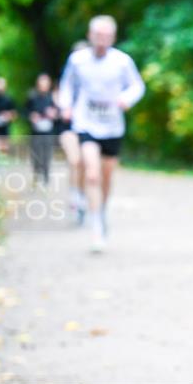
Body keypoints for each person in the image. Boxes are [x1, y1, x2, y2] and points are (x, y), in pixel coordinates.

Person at [58, 16, 145, 252]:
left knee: (106, 177)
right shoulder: (77, 60)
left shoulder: (122, 61)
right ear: (90, 35)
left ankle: (101, 212)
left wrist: (126, 99)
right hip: (86, 123)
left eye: (106, 36)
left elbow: (137, 86)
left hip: (112, 126)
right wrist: (66, 106)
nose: (101, 40)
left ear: (113, 38)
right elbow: (67, 86)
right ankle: (96, 227)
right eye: (97, 35)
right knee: (92, 175)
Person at [58, 40, 90, 224]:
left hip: (87, 127)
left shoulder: (95, 83)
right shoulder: (66, 81)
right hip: (69, 126)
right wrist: (65, 108)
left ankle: (82, 195)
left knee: (85, 163)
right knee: (74, 160)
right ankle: (74, 195)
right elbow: (60, 98)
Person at [25, 73, 59, 186]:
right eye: (42, 83)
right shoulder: (32, 97)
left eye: (46, 83)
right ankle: (36, 174)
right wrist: (31, 116)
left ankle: (45, 177)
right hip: (36, 131)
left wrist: (54, 114)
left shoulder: (53, 98)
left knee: (47, 154)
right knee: (36, 153)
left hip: (48, 131)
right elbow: (24, 112)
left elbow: (60, 113)